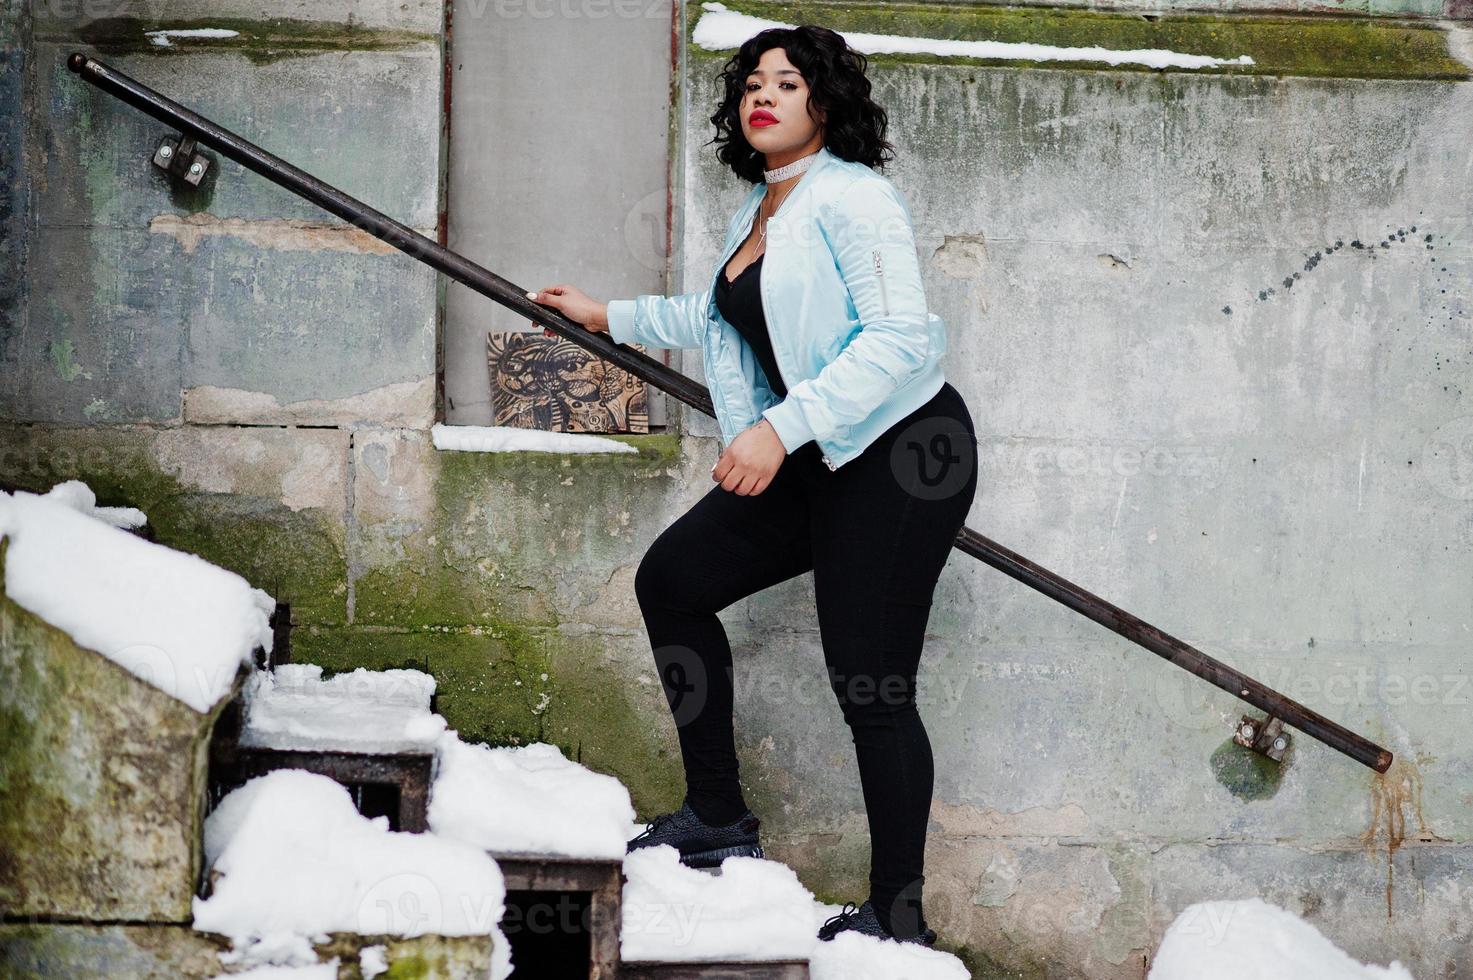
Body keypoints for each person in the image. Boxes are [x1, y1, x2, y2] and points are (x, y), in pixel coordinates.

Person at [527, 25, 978, 948]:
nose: (761, 96)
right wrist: (609, 315)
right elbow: (724, 313)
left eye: (787, 81)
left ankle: (898, 914)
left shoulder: (856, 199)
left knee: (871, 684)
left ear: (826, 102)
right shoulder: (766, 204)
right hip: (820, 450)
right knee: (674, 583)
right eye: (750, 83)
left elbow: (898, 338)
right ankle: (717, 814)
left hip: (898, 454)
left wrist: (776, 428)